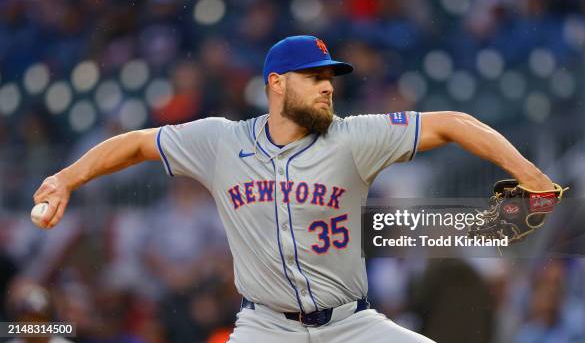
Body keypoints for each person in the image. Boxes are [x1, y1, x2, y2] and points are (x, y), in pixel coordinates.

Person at [33, 35, 554, 342]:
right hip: (267, 328)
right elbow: (137, 144)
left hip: (351, 326)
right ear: (276, 83)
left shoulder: (353, 138)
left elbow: (453, 122)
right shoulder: (221, 141)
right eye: (314, 75)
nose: (329, 84)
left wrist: (527, 172)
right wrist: (65, 178)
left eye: (331, 76)